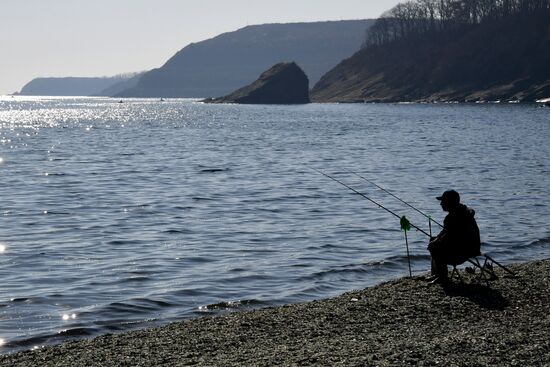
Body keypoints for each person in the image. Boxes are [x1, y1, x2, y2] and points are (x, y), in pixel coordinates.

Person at [426, 190, 480, 284]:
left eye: (443, 201)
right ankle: (438, 273)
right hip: (473, 248)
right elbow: (448, 232)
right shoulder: (464, 211)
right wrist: (437, 238)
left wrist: (435, 242)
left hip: (461, 253)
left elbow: (449, 237)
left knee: (433, 246)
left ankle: (442, 277)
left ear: (450, 202)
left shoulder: (452, 218)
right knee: (433, 240)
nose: (441, 204)